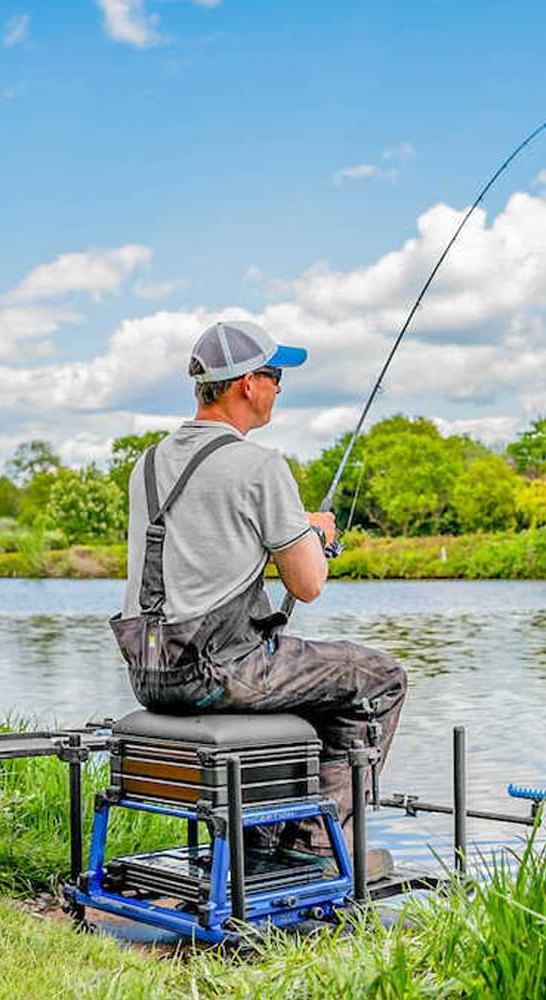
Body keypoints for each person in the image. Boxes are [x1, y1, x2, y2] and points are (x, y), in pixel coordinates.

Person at [117, 320, 407, 877]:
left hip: (150, 669)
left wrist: (293, 526)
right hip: (217, 672)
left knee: (302, 678)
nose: (280, 387)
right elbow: (308, 585)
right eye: (275, 376)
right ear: (246, 383)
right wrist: (317, 538)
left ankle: (262, 840)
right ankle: (319, 848)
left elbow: (211, 534)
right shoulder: (260, 465)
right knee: (376, 677)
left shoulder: (147, 465)